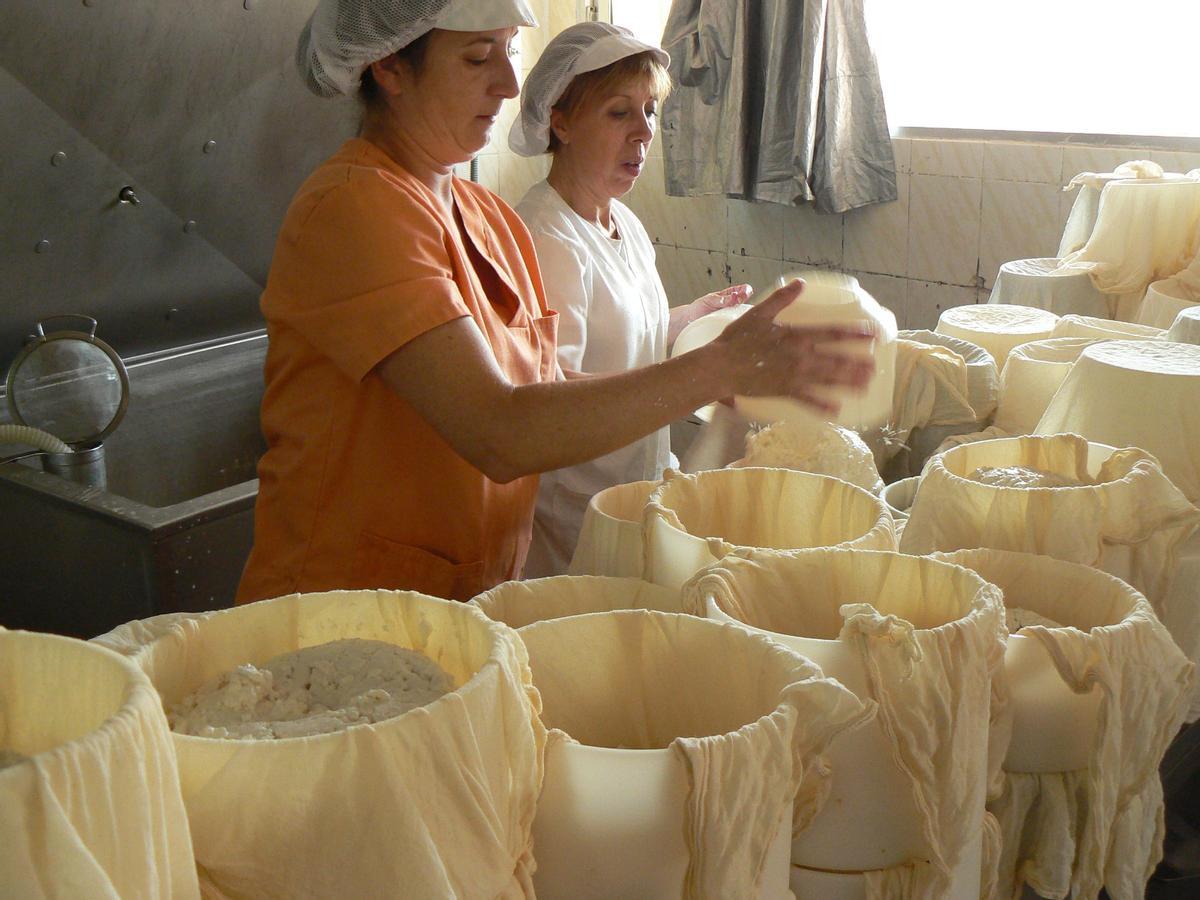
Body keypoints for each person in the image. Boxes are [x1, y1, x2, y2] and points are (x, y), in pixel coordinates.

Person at [236, 0, 874, 605]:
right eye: (478, 57)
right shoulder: (355, 208)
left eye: (510, 51)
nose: (511, 84)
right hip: (343, 608)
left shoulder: (484, 216)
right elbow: (500, 428)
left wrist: (710, 361)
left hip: (462, 595)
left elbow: (548, 386)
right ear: (390, 66)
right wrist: (716, 370)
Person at [509, 22, 752, 577]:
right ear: (561, 121)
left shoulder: (621, 221)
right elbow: (550, 406)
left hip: (635, 502)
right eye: (619, 112)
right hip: (576, 531)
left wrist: (687, 321)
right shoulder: (545, 238)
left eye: (649, 111)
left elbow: (617, 335)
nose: (643, 133)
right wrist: (703, 372)